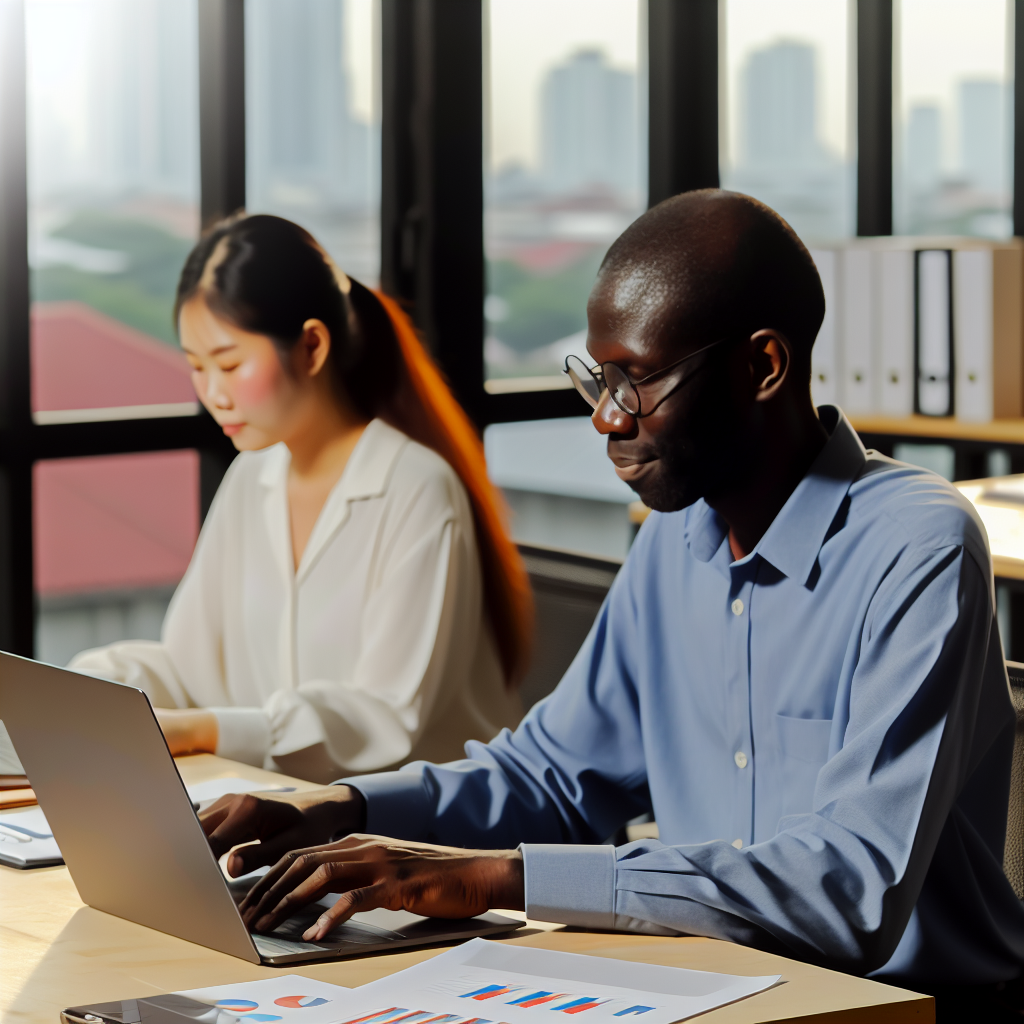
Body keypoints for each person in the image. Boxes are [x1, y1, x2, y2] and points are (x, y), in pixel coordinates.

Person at [197, 192, 1024, 1017]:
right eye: (598, 377)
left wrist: (495, 874)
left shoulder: (918, 543)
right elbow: (554, 775)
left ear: (763, 366)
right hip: (715, 991)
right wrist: (339, 809)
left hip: (895, 1005)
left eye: (637, 380)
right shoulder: (674, 538)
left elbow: (847, 888)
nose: (605, 417)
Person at [70, 213, 529, 782]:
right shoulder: (252, 477)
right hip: (289, 816)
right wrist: (92, 684)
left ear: (311, 346)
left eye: (231, 364)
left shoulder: (415, 488)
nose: (213, 394)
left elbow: (386, 718)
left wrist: (202, 730)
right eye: (196, 367)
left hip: (418, 842)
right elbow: (191, 666)